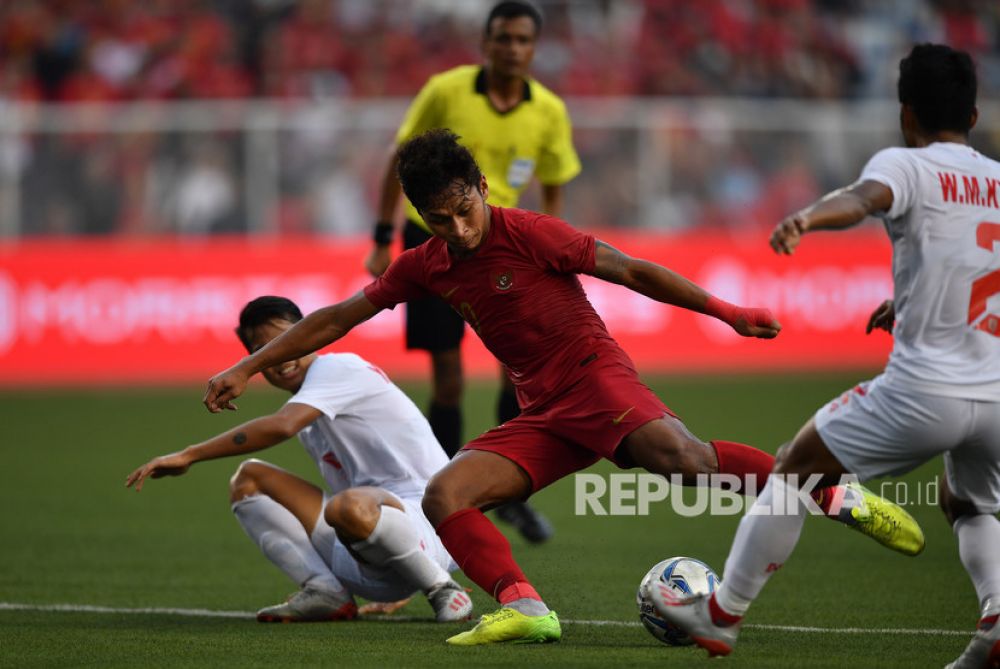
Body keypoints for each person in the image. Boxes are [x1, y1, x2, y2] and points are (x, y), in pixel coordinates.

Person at [203, 129, 923, 645]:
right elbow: (336, 315)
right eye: (438, 219)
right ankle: (525, 607)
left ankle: (833, 492)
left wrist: (727, 311)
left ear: (482, 188)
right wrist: (243, 366)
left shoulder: (530, 231)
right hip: (541, 409)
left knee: (690, 465)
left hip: (592, 376)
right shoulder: (426, 262)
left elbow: (633, 270)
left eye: (464, 209)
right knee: (445, 493)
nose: (456, 228)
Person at [650, 44, 1000, 669]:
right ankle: (996, 619)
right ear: (974, 114)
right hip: (996, 395)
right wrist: (910, 298)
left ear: (905, 113)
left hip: (926, 389)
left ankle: (723, 613)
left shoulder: (907, 164)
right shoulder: (997, 179)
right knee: (966, 501)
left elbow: (864, 197)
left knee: (795, 469)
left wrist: (808, 217)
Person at [364, 1, 580, 544]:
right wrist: (383, 236)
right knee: (450, 379)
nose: (511, 48)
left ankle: (507, 494)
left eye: (522, 40)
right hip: (435, 240)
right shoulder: (447, 90)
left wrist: (551, 245)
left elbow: (553, 183)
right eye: (502, 38)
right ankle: (435, 494)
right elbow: (400, 157)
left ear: (534, 47)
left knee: (520, 373)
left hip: (508, 245)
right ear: (485, 44)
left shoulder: (549, 110)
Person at [126, 296, 473, 624]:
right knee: (249, 479)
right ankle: (326, 590)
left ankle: (443, 589)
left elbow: (281, 426)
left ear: (308, 334)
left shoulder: (339, 368)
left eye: (287, 340)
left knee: (347, 506)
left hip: (430, 524)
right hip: (371, 549)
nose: (280, 357)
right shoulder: (309, 408)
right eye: (262, 351)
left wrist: (189, 454)